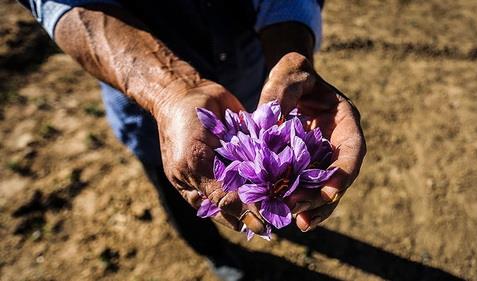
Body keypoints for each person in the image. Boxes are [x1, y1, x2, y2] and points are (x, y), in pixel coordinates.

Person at [18, 0, 366, 280]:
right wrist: (168, 92)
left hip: (258, 87)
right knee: (187, 190)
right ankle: (215, 254)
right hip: (153, 103)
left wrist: (290, 53)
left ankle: (276, 217)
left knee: (265, 205)